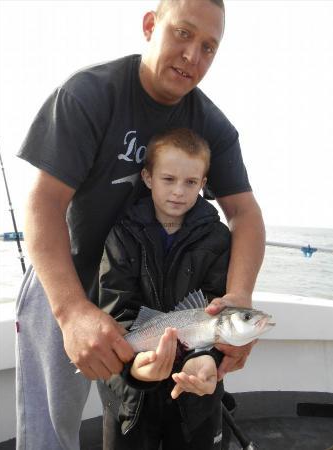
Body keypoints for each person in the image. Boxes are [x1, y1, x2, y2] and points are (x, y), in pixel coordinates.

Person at [16, 0, 265, 449]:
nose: (193, 56)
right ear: (151, 25)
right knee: (48, 435)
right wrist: (71, 312)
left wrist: (239, 300)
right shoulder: (89, 95)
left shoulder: (213, 127)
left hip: (147, 295)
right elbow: (42, 204)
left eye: (209, 47)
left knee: (135, 416)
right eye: (184, 34)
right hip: (65, 276)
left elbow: (245, 214)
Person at [98, 127, 231, 449]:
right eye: (168, 179)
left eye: (190, 182)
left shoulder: (220, 238)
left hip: (195, 391)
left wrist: (208, 357)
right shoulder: (120, 233)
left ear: (203, 184)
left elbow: (216, 311)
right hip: (131, 396)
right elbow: (116, 308)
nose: (178, 192)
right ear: (147, 177)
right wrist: (135, 370)